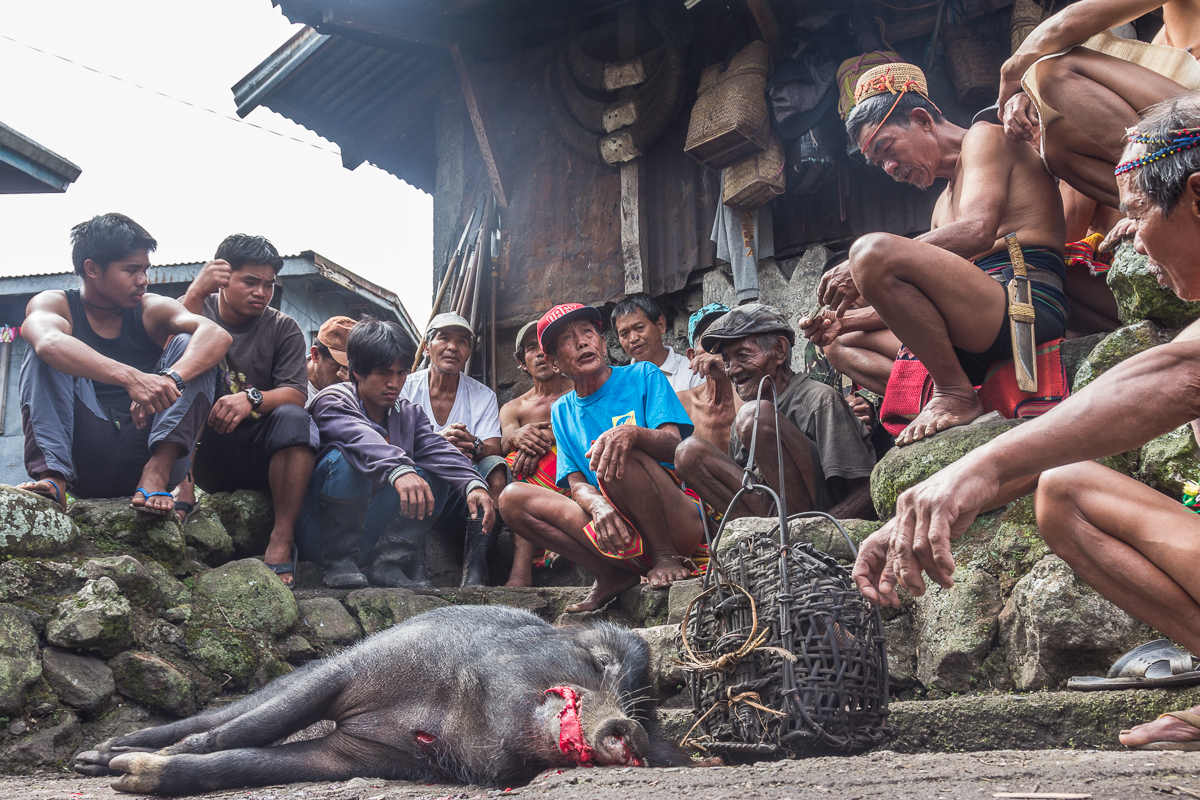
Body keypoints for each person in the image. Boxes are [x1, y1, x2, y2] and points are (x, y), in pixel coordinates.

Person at [852, 96, 1200, 750]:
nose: (1128, 241)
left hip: (1018, 299)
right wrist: (949, 493)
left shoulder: (985, 140)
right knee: (1065, 491)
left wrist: (974, 470)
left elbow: (1175, 381)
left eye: (1135, 215)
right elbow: (1134, 387)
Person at [819, 63, 1067, 446]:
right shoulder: (940, 204)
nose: (889, 168)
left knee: (869, 250)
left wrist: (864, 264)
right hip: (977, 320)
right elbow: (933, 298)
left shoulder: (984, 138)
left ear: (921, 119)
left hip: (1024, 302)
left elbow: (978, 231)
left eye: (886, 148)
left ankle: (954, 394)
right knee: (838, 344)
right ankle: (950, 391)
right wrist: (845, 322)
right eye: (878, 163)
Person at [499, 303, 708, 613]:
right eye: (568, 339)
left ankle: (665, 557)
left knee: (615, 445)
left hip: (675, 523)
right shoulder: (563, 410)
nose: (582, 341)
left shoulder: (642, 374)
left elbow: (672, 445)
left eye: (587, 332)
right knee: (511, 499)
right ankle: (611, 574)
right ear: (555, 362)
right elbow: (576, 482)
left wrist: (632, 434)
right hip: (618, 535)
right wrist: (598, 505)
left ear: (601, 342)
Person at [16, 213, 228, 517]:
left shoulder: (151, 308)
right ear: (92, 269)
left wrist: (171, 379)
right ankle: (53, 478)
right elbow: (48, 341)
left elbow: (216, 334)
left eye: (144, 270)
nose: (143, 280)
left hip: (147, 452)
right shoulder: (54, 303)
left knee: (191, 344)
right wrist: (132, 379)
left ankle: (156, 472)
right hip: (84, 457)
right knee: (42, 354)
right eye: (131, 270)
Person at [302, 318, 494, 589]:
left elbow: (437, 448)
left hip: (365, 532)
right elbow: (361, 438)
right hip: (319, 534)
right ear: (358, 371)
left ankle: (387, 564)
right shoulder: (333, 399)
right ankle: (339, 561)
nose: (394, 383)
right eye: (384, 373)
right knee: (346, 459)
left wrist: (474, 484)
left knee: (433, 473)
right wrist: (400, 469)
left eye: (401, 373)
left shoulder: (408, 412)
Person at [177, 234, 317, 587]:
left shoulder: (282, 328)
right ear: (222, 277)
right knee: (184, 382)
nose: (261, 292)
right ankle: (181, 489)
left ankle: (281, 540)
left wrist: (250, 398)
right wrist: (195, 293)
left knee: (294, 417)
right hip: (206, 450)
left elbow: (296, 393)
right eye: (250, 282)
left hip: (260, 453)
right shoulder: (193, 308)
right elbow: (168, 357)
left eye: (268, 284)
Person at [674, 304, 877, 520]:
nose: (732, 370)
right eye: (726, 361)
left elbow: (865, 490)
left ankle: (794, 531)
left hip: (819, 518)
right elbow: (747, 489)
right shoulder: (744, 421)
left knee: (754, 417)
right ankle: (770, 533)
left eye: (743, 356)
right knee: (688, 453)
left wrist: (822, 529)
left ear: (780, 350)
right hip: (775, 524)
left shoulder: (819, 400)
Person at [1000, 0, 1200, 208]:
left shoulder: (983, 140)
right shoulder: (1177, 26)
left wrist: (1012, 71)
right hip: (1186, 127)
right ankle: (1155, 208)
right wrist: (1030, 90)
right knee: (1056, 144)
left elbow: (1066, 25)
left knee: (1054, 72)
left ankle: (1153, 198)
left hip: (1192, 121)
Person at [400, 313, 504, 586]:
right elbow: (391, 443)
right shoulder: (405, 388)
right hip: (420, 486)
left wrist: (472, 442)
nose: (452, 348)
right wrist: (435, 443)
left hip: (464, 494)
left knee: (496, 468)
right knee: (421, 466)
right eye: (443, 338)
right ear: (426, 346)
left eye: (461, 342)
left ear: (468, 352)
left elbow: (493, 448)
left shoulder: (482, 395)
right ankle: (412, 561)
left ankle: (476, 568)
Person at [498, 320, 575, 587]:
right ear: (522, 362)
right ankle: (529, 565)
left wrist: (551, 436)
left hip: (577, 472)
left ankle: (521, 573)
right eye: (532, 348)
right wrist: (520, 437)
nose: (540, 354)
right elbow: (507, 440)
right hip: (532, 477)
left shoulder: (579, 390)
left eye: (545, 346)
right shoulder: (514, 407)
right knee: (513, 463)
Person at [676, 303, 743, 449]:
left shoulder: (751, 395)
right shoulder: (682, 404)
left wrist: (729, 367)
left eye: (725, 337)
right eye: (708, 339)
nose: (717, 347)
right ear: (693, 356)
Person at [612, 294, 703, 393]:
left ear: (660, 325)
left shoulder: (692, 371)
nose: (633, 339)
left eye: (639, 328)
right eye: (624, 334)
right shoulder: (620, 384)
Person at [307, 316, 354, 403]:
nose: (343, 375)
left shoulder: (354, 387)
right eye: (337, 366)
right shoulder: (288, 379)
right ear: (315, 354)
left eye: (350, 369)